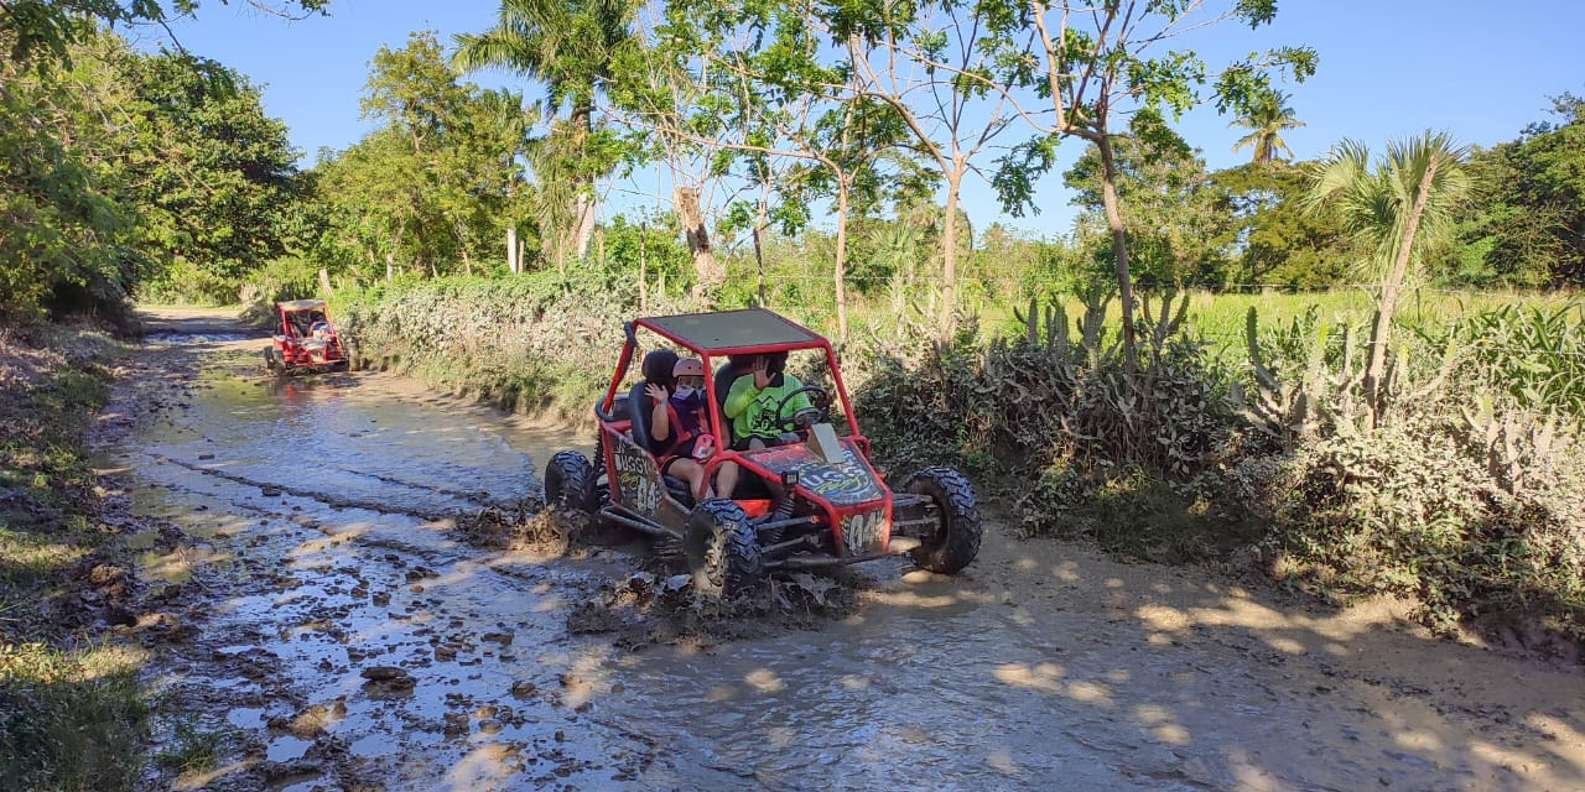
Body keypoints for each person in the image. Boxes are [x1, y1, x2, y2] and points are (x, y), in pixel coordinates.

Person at [714, 352, 812, 497]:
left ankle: (830, 492)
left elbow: (805, 411)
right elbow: (729, 411)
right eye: (775, 360)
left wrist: (808, 418)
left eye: (782, 359)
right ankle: (784, 496)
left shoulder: (792, 383)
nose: (781, 364)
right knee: (756, 444)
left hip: (781, 440)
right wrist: (755, 388)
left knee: (810, 439)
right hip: (748, 440)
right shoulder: (742, 383)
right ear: (759, 362)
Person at [647, 357, 715, 501]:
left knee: (731, 460)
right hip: (675, 458)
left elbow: (724, 438)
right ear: (675, 384)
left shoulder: (707, 405)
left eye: (698, 383)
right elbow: (659, 436)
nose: (693, 388)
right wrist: (662, 403)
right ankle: (711, 509)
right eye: (686, 382)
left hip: (704, 454)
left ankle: (724, 505)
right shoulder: (665, 405)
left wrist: (714, 450)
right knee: (696, 470)